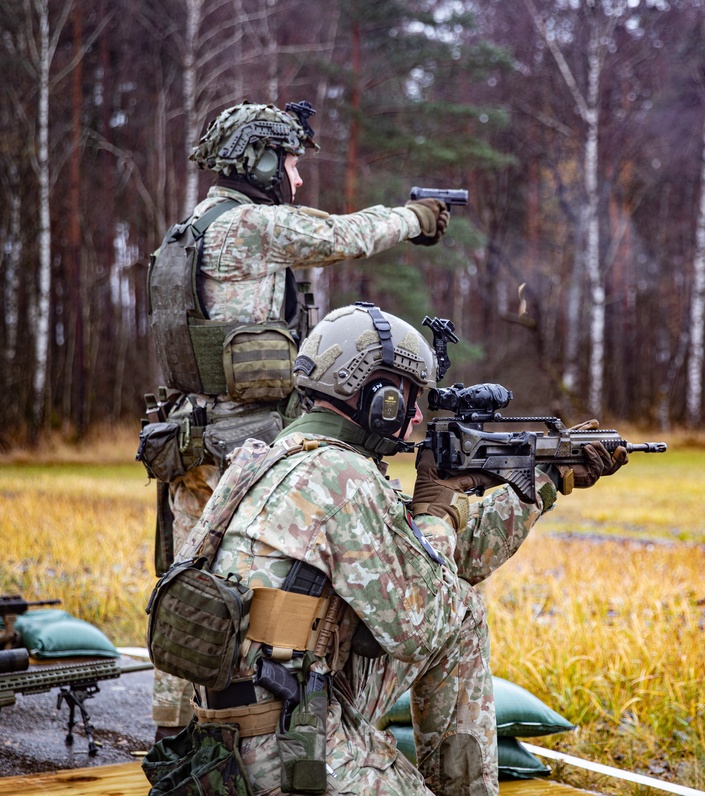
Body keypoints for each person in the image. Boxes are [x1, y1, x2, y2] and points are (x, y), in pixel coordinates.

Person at [157, 302, 628, 796]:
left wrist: (545, 480)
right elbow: (424, 622)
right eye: (410, 397)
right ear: (376, 394)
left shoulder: (268, 458)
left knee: (460, 611)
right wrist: (437, 507)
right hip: (287, 754)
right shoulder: (344, 480)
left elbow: (444, 557)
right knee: (457, 610)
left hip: (240, 730)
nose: (419, 413)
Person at [143, 100, 451, 739]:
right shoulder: (249, 226)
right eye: (290, 162)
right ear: (256, 162)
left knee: (192, 592)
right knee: (271, 602)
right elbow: (342, 237)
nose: (298, 179)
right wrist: (414, 218)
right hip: (243, 442)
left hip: (190, 439)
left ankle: (177, 743)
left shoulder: (188, 230)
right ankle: (284, 737)